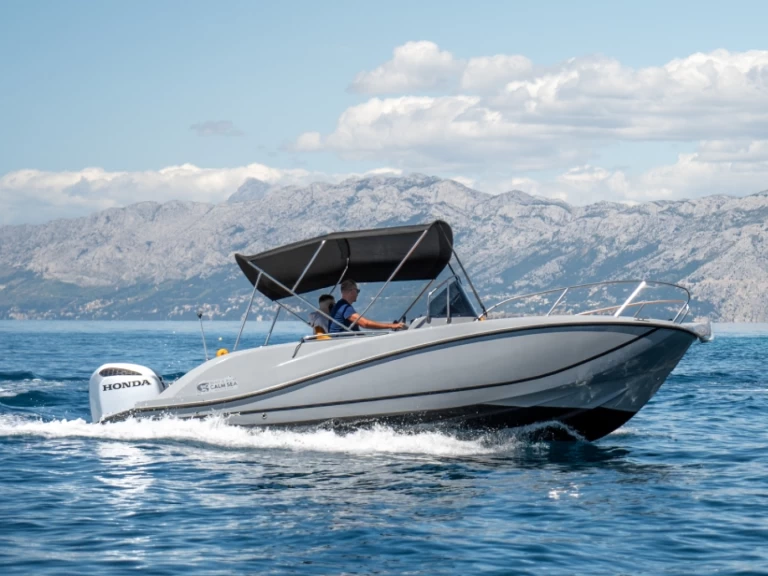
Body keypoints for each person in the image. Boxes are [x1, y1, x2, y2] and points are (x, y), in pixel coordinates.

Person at [328, 279, 406, 333]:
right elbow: (365, 324)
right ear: (352, 291)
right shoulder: (344, 307)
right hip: (343, 345)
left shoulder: (340, 305)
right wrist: (392, 326)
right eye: (357, 291)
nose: (358, 294)